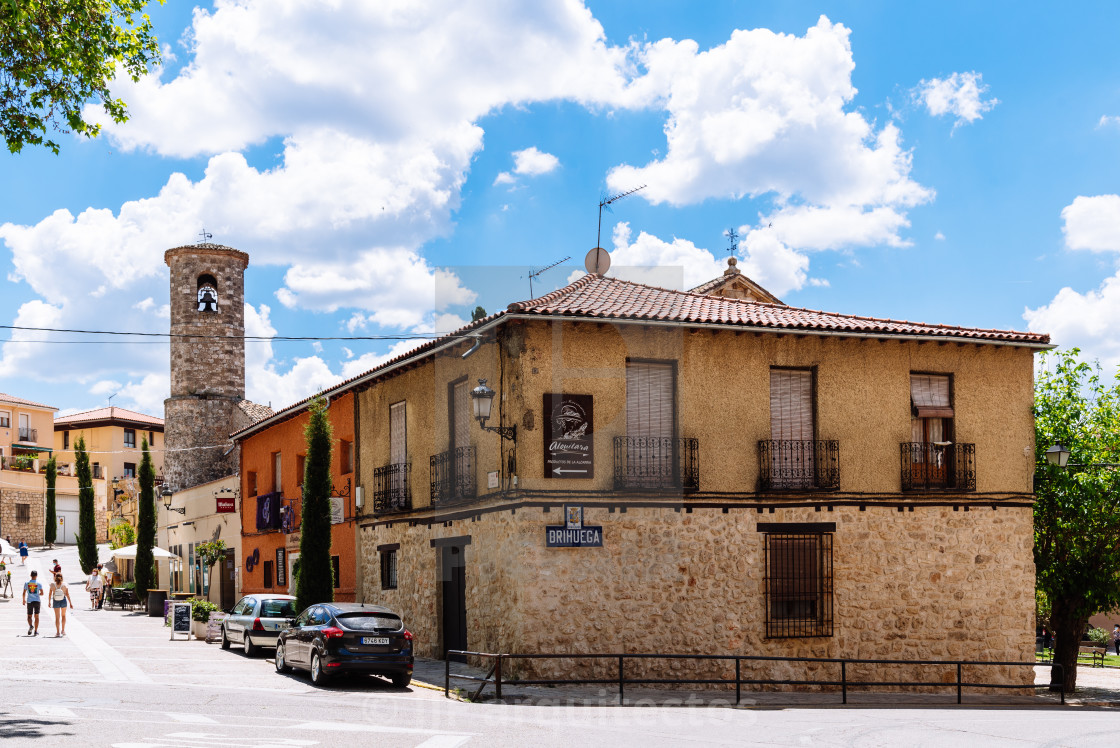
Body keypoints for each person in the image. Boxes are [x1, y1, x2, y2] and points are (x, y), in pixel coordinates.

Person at [22, 570, 44, 636]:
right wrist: (38, 594)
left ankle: (31, 625)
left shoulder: (27, 583)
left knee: (29, 616)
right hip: (37, 601)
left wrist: (23, 600)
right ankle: (36, 631)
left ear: (30, 575)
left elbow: (24, 593)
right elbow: (42, 593)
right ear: (36, 576)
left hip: (29, 601)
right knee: (36, 616)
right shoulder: (39, 584)